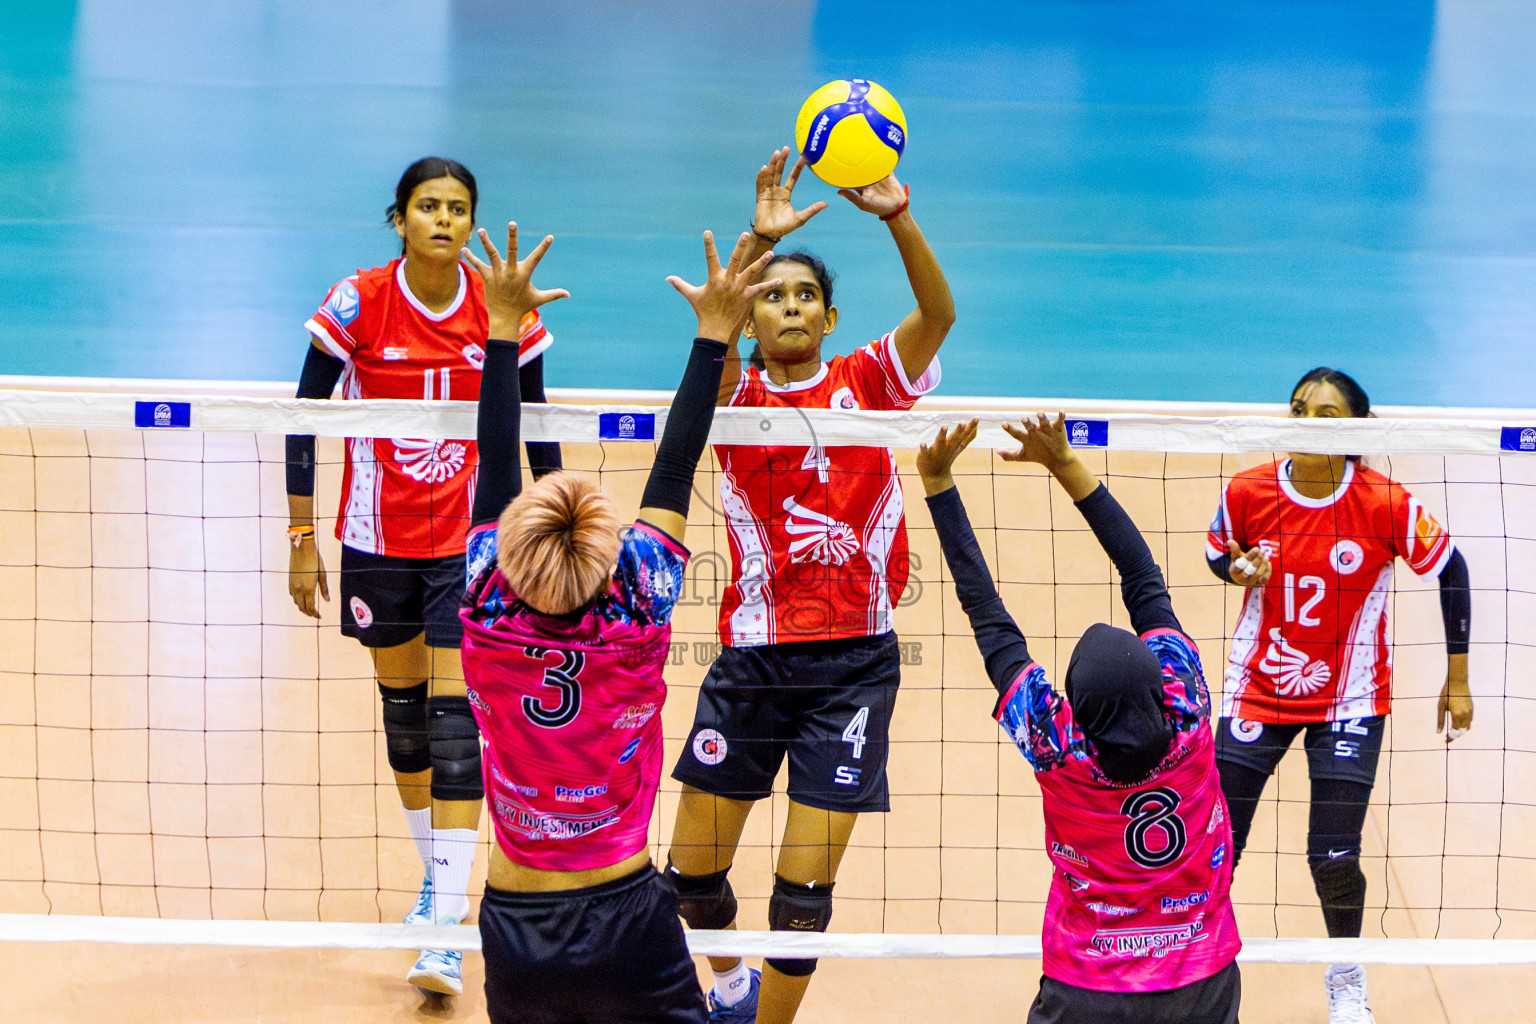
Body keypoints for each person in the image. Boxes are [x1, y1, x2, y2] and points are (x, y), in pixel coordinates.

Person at [458, 222, 780, 1024]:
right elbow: (676, 463)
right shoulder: (639, 593)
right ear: (608, 549)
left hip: (514, 920)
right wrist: (714, 334)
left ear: (510, 547)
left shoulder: (486, 599)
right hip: (627, 910)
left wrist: (501, 328)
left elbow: (493, 462)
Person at [665, 147, 955, 1024]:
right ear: (748, 317)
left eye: (803, 296)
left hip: (855, 667)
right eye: (770, 295)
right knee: (691, 879)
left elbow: (938, 316)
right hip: (752, 662)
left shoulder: (868, 383)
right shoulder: (729, 393)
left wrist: (898, 214)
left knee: (800, 897)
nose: (787, 305)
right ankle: (728, 989)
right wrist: (758, 236)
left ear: (829, 317)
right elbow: (709, 348)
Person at [284, 156, 562, 995]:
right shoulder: (358, 300)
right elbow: (299, 420)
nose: (443, 218)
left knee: (453, 724)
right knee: (404, 719)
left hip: (470, 547)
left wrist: (554, 533)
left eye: (458, 207)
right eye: (427, 206)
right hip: (377, 538)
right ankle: (436, 878)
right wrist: (302, 533)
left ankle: (445, 925)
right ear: (399, 219)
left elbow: (540, 430)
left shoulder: (497, 304)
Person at [917, 415, 1242, 1024]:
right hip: (1202, 978)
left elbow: (989, 619)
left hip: (1088, 985)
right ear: (1159, 685)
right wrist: (1067, 464)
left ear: (1074, 710)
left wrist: (938, 483)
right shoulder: (1190, 715)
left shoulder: (1057, 747)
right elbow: (1144, 580)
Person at [1205, 367, 1473, 1024]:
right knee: (1214, 846)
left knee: (1332, 854)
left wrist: (1457, 678)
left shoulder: (1384, 503)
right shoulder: (1249, 490)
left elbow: (1452, 567)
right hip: (1256, 689)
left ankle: (1346, 977)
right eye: (1299, 410)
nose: (1306, 422)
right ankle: (1199, 964)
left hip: (1349, 698)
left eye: (1327, 414)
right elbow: (1218, 552)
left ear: (1355, 429)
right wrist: (1236, 567)